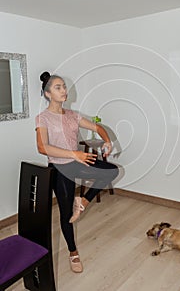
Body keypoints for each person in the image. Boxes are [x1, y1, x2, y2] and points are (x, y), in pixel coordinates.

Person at [35, 71, 119, 273]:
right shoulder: (43, 118)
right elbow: (42, 147)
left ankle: (83, 201)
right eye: (58, 87)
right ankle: (73, 253)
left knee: (111, 171)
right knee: (66, 216)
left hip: (75, 162)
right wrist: (74, 154)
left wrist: (107, 141)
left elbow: (98, 128)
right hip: (59, 167)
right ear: (47, 94)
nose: (64, 90)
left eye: (64, 86)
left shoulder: (73, 116)